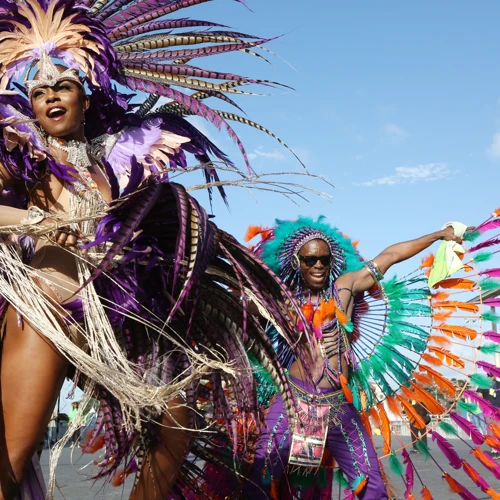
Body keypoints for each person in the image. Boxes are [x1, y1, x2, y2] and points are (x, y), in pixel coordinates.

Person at [0, 1, 305, 498]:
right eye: (38, 91)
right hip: (46, 312)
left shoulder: (116, 165)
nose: (50, 96)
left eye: (63, 86)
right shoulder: (21, 152)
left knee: (176, 423)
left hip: (115, 324)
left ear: (85, 97)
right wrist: (36, 219)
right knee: (12, 458)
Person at [244, 216, 465, 499]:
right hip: (292, 400)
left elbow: (391, 255)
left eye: (324, 259)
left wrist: (438, 235)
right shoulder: (281, 297)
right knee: (261, 475)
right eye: (310, 260)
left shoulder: (344, 288)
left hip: (338, 406)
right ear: (297, 262)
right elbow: (241, 307)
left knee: (371, 485)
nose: (318, 266)